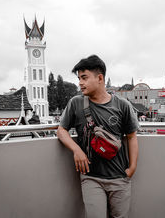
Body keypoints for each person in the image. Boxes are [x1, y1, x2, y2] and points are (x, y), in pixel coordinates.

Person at [57, 55, 139, 218]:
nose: (80, 82)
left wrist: (132, 169)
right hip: (91, 178)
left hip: (119, 178)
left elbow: (131, 137)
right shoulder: (76, 103)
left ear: (100, 78)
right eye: (79, 78)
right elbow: (61, 130)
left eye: (84, 77)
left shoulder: (122, 105)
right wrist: (76, 150)